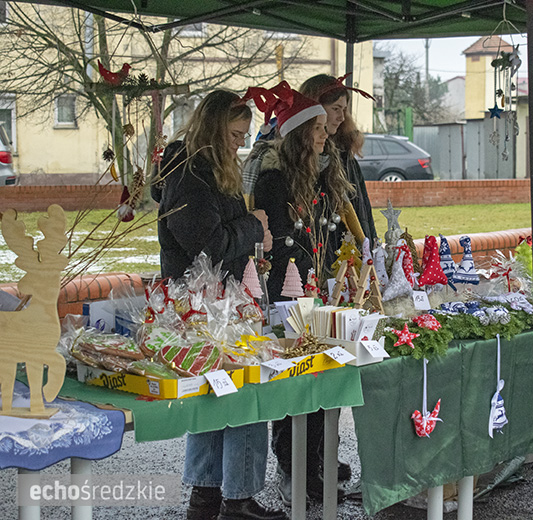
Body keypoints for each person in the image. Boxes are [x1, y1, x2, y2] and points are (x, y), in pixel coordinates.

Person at [151, 89, 285, 520]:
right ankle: (233, 497)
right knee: (239, 391)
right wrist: (252, 226)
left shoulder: (206, 168)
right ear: (211, 129)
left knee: (219, 393)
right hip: (203, 305)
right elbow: (204, 244)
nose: (240, 144)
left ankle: (210, 495)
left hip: (217, 301)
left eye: (244, 135)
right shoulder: (189, 174)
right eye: (233, 135)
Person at [240, 82, 354, 505]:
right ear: (302, 133)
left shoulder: (321, 175)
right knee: (296, 392)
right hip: (287, 300)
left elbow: (330, 231)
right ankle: (294, 471)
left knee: (323, 389)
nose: (327, 134)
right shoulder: (275, 180)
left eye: (328, 126)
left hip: (317, 294)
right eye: (320, 127)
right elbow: (281, 242)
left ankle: (318, 468)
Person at [299, 73, 377, 242]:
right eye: (335, 109)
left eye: (344, 110)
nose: (341, 117)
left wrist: (370, 245)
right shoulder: (301, 159)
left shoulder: (344, 153)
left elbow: (362, 209)